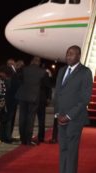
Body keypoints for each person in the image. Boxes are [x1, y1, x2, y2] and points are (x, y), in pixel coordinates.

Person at [54, 45, 92, 173]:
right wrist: (57, 113)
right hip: (61, 118)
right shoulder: (62, 70)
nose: (68, 56)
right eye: (67, 53)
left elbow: (85, 99)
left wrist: (68, 116)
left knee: (71, 151)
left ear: (79, 56)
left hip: (74, 119)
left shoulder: (85, 72)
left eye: (72, 54)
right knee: (62, 149)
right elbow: (58, 93)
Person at [15, 57, 47, 145]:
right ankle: (28, 140)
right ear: (39, 63)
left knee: (22, 118)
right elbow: (44, 85)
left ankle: (23, 139)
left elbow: (19, 79)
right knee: (30, 118)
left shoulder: (24, 69)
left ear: (31, 61)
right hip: (34, 97)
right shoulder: (43, 71)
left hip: (23, 95)